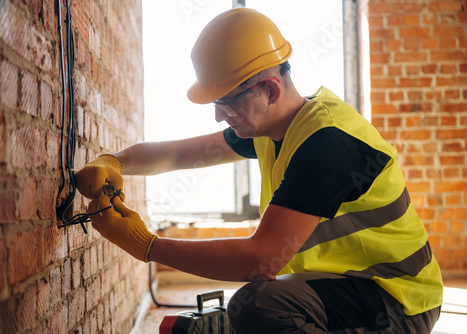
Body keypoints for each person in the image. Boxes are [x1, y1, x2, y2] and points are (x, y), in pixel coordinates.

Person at [75, 8, 443, 333]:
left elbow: (260, 260)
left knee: (257, 306)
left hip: (397, 303)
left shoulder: (328, 143)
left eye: (226, 102)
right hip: (347, 283)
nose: (219, 114)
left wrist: (146, 245)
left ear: (270, 89)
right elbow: (176, 156)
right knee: (259, 304)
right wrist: (113, 162)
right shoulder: (272, 127)